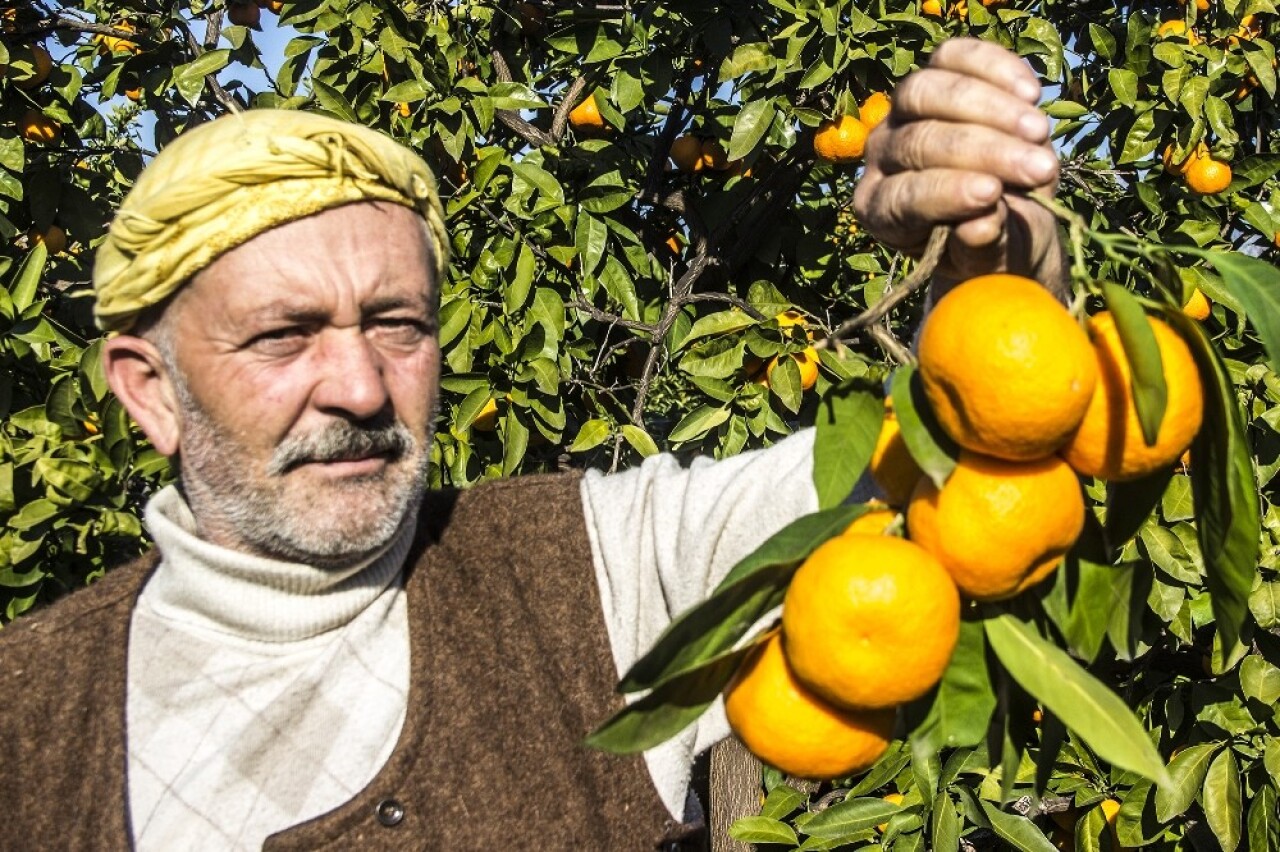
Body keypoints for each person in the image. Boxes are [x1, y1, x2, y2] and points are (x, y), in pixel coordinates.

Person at [0, 39, 1061, 850]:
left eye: (396, 323)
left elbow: (938, 481)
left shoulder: (602, 566)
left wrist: (992, 281)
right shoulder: (29, 713)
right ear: (149, 393)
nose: (363, 386)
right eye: (285, 336)